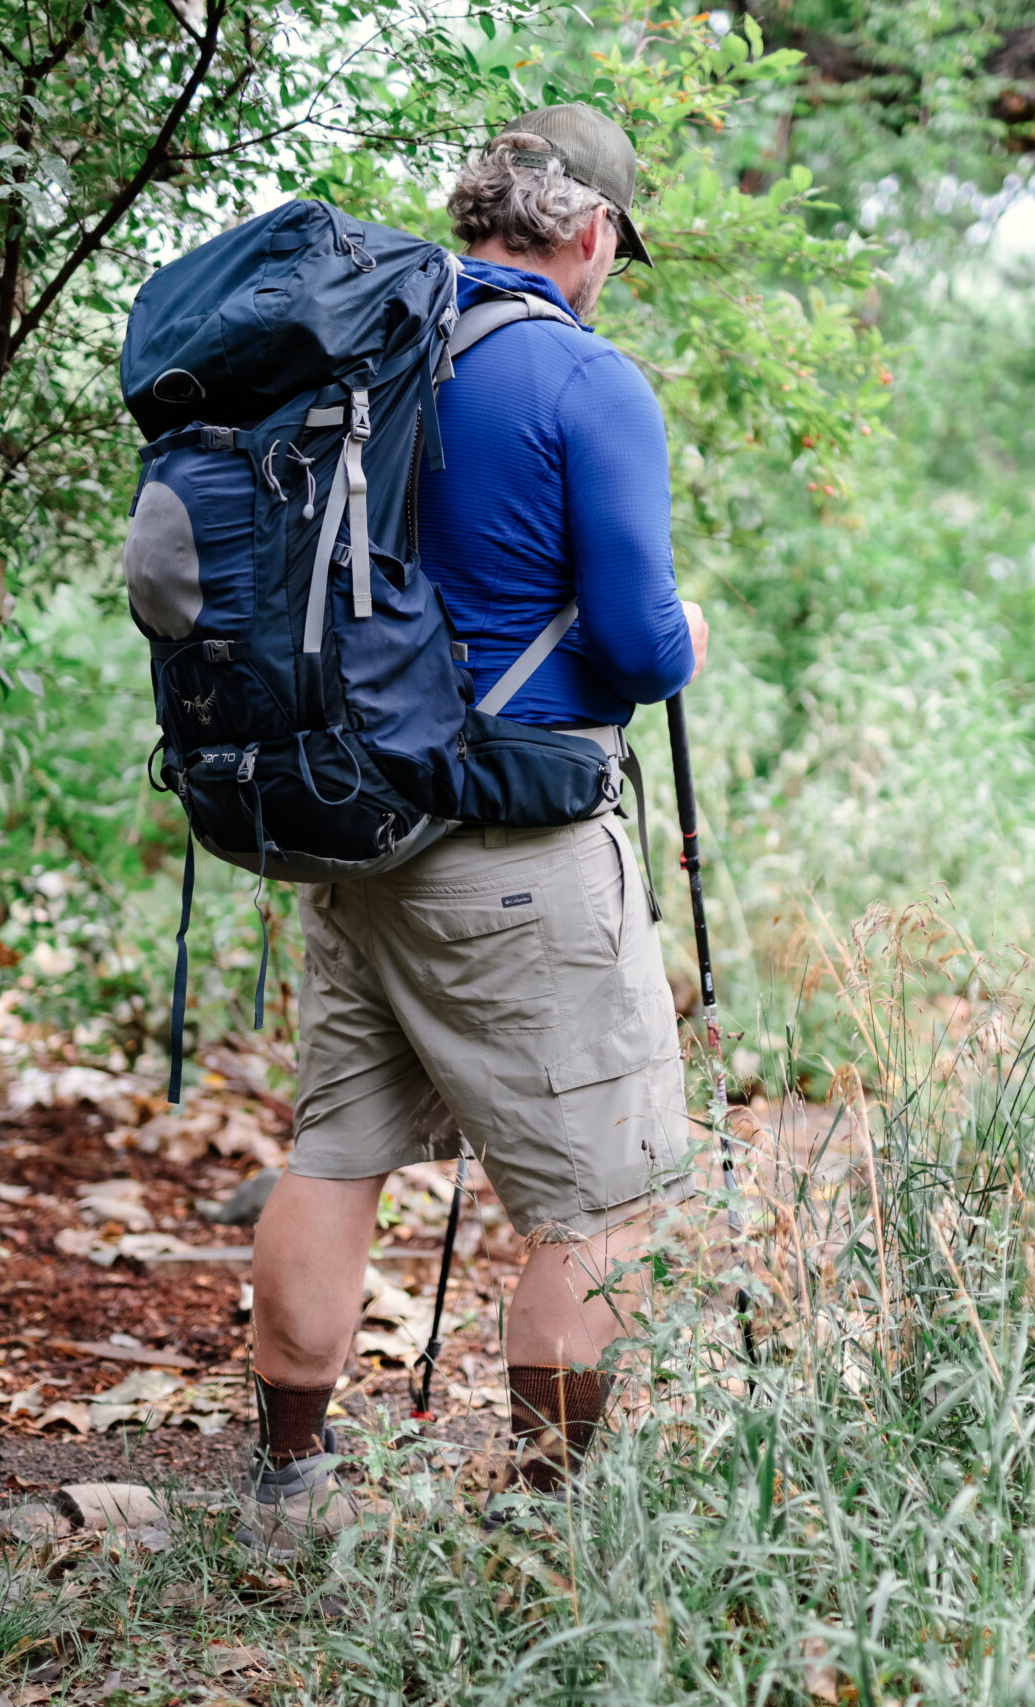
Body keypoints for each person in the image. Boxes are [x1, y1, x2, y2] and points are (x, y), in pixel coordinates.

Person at [239, 103, 710, 1554]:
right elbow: (639, 645)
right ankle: (553, 1530)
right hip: (513, 853)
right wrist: (688, 633)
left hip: (351, 835)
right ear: (587, 235)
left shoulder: (359, 357)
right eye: (618, 247)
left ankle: (287, 1491)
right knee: (599, 1200)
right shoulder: (586, 382)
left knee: (333, 1154)